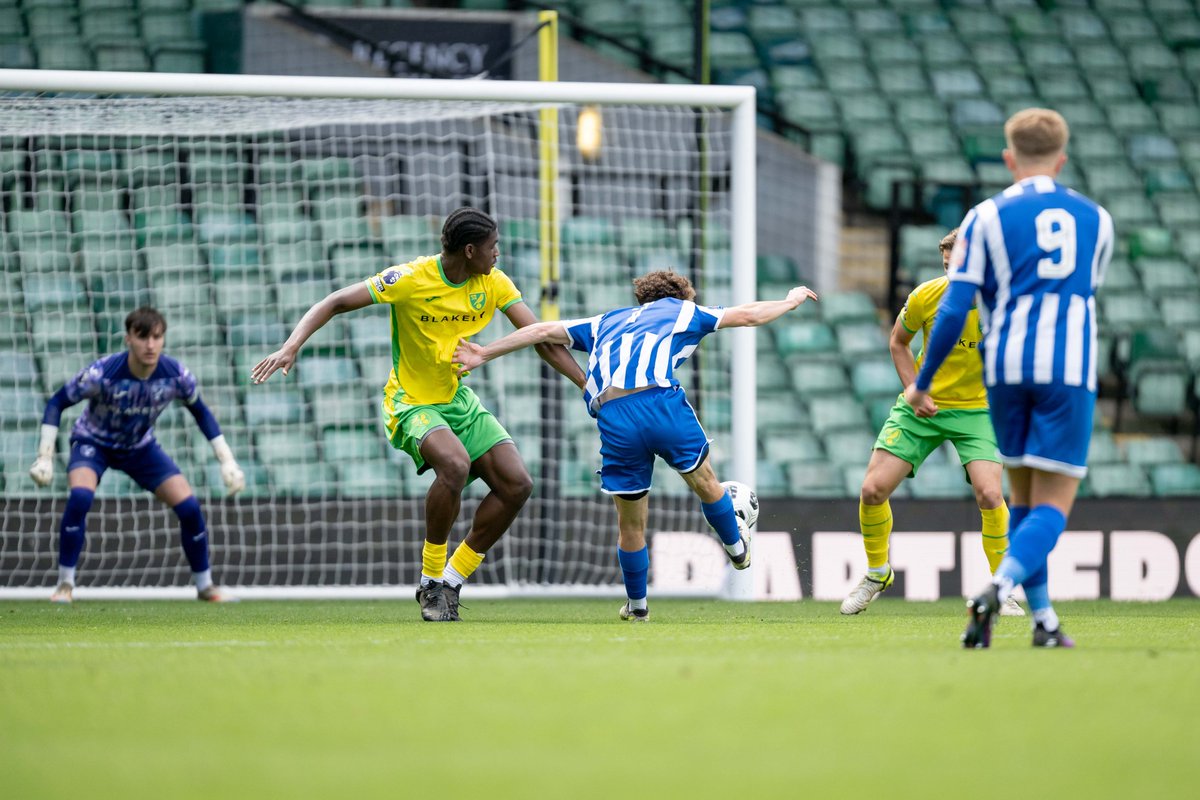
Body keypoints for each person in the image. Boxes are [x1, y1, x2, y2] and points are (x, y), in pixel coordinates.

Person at [251, 208, 585, 622]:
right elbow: (335, 302)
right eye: (491, 246)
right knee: (455, 465)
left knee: (517, 484)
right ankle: (429, 580)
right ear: (469, 250)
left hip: (457, 400)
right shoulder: (410, 278)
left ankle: (452, 579)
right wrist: (290, 345)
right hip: (411, 402)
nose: (497, 253)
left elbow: (542, 338)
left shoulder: (494, 283)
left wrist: (586, 386)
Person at [454, 270, 819, 621]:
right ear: (681, 297)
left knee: (630, 523)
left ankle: (637, 606)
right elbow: (750, 315)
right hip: (659, 401)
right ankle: (738, 551)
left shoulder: (606, 320)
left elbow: (542, 330)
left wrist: (483, 353)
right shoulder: (683, 310)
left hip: (614, 415)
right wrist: (789, 301)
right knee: (706, 482)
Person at [907, 108, 1112, 648]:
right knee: (1052, 506)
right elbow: (1084, 293)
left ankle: (1043, 623)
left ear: (1009, 158)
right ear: (1062, 158)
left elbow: (954, 308)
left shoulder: (983, 217)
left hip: (1003, 370)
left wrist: (922, 379)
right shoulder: (1096, 218)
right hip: (1065, 370)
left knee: (1022, 501)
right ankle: (997, 586)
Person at [841, 228, 1021, 617]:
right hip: (923, 406)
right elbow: (898, 342)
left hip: (979, 410)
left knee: (991, 495)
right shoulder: (927, 295)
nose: (950, 273)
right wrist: (913, 390)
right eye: (945, 265)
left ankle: (1002, 587)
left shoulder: (1005, 301)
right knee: (872, 489)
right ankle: (877, 572)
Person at [29, 306, 246, 603]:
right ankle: (65, 585)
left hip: (139, 448)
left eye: (157, 337)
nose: (151, 345)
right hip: (94, 443)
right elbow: (56, 402)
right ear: (128, 338)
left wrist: (227, 461)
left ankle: (205, 587)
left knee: (190, 508)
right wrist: (45, 456)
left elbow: (201, 413)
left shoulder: (176, 375)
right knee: (80, 498)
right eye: (143, 337)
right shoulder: (101, 374)